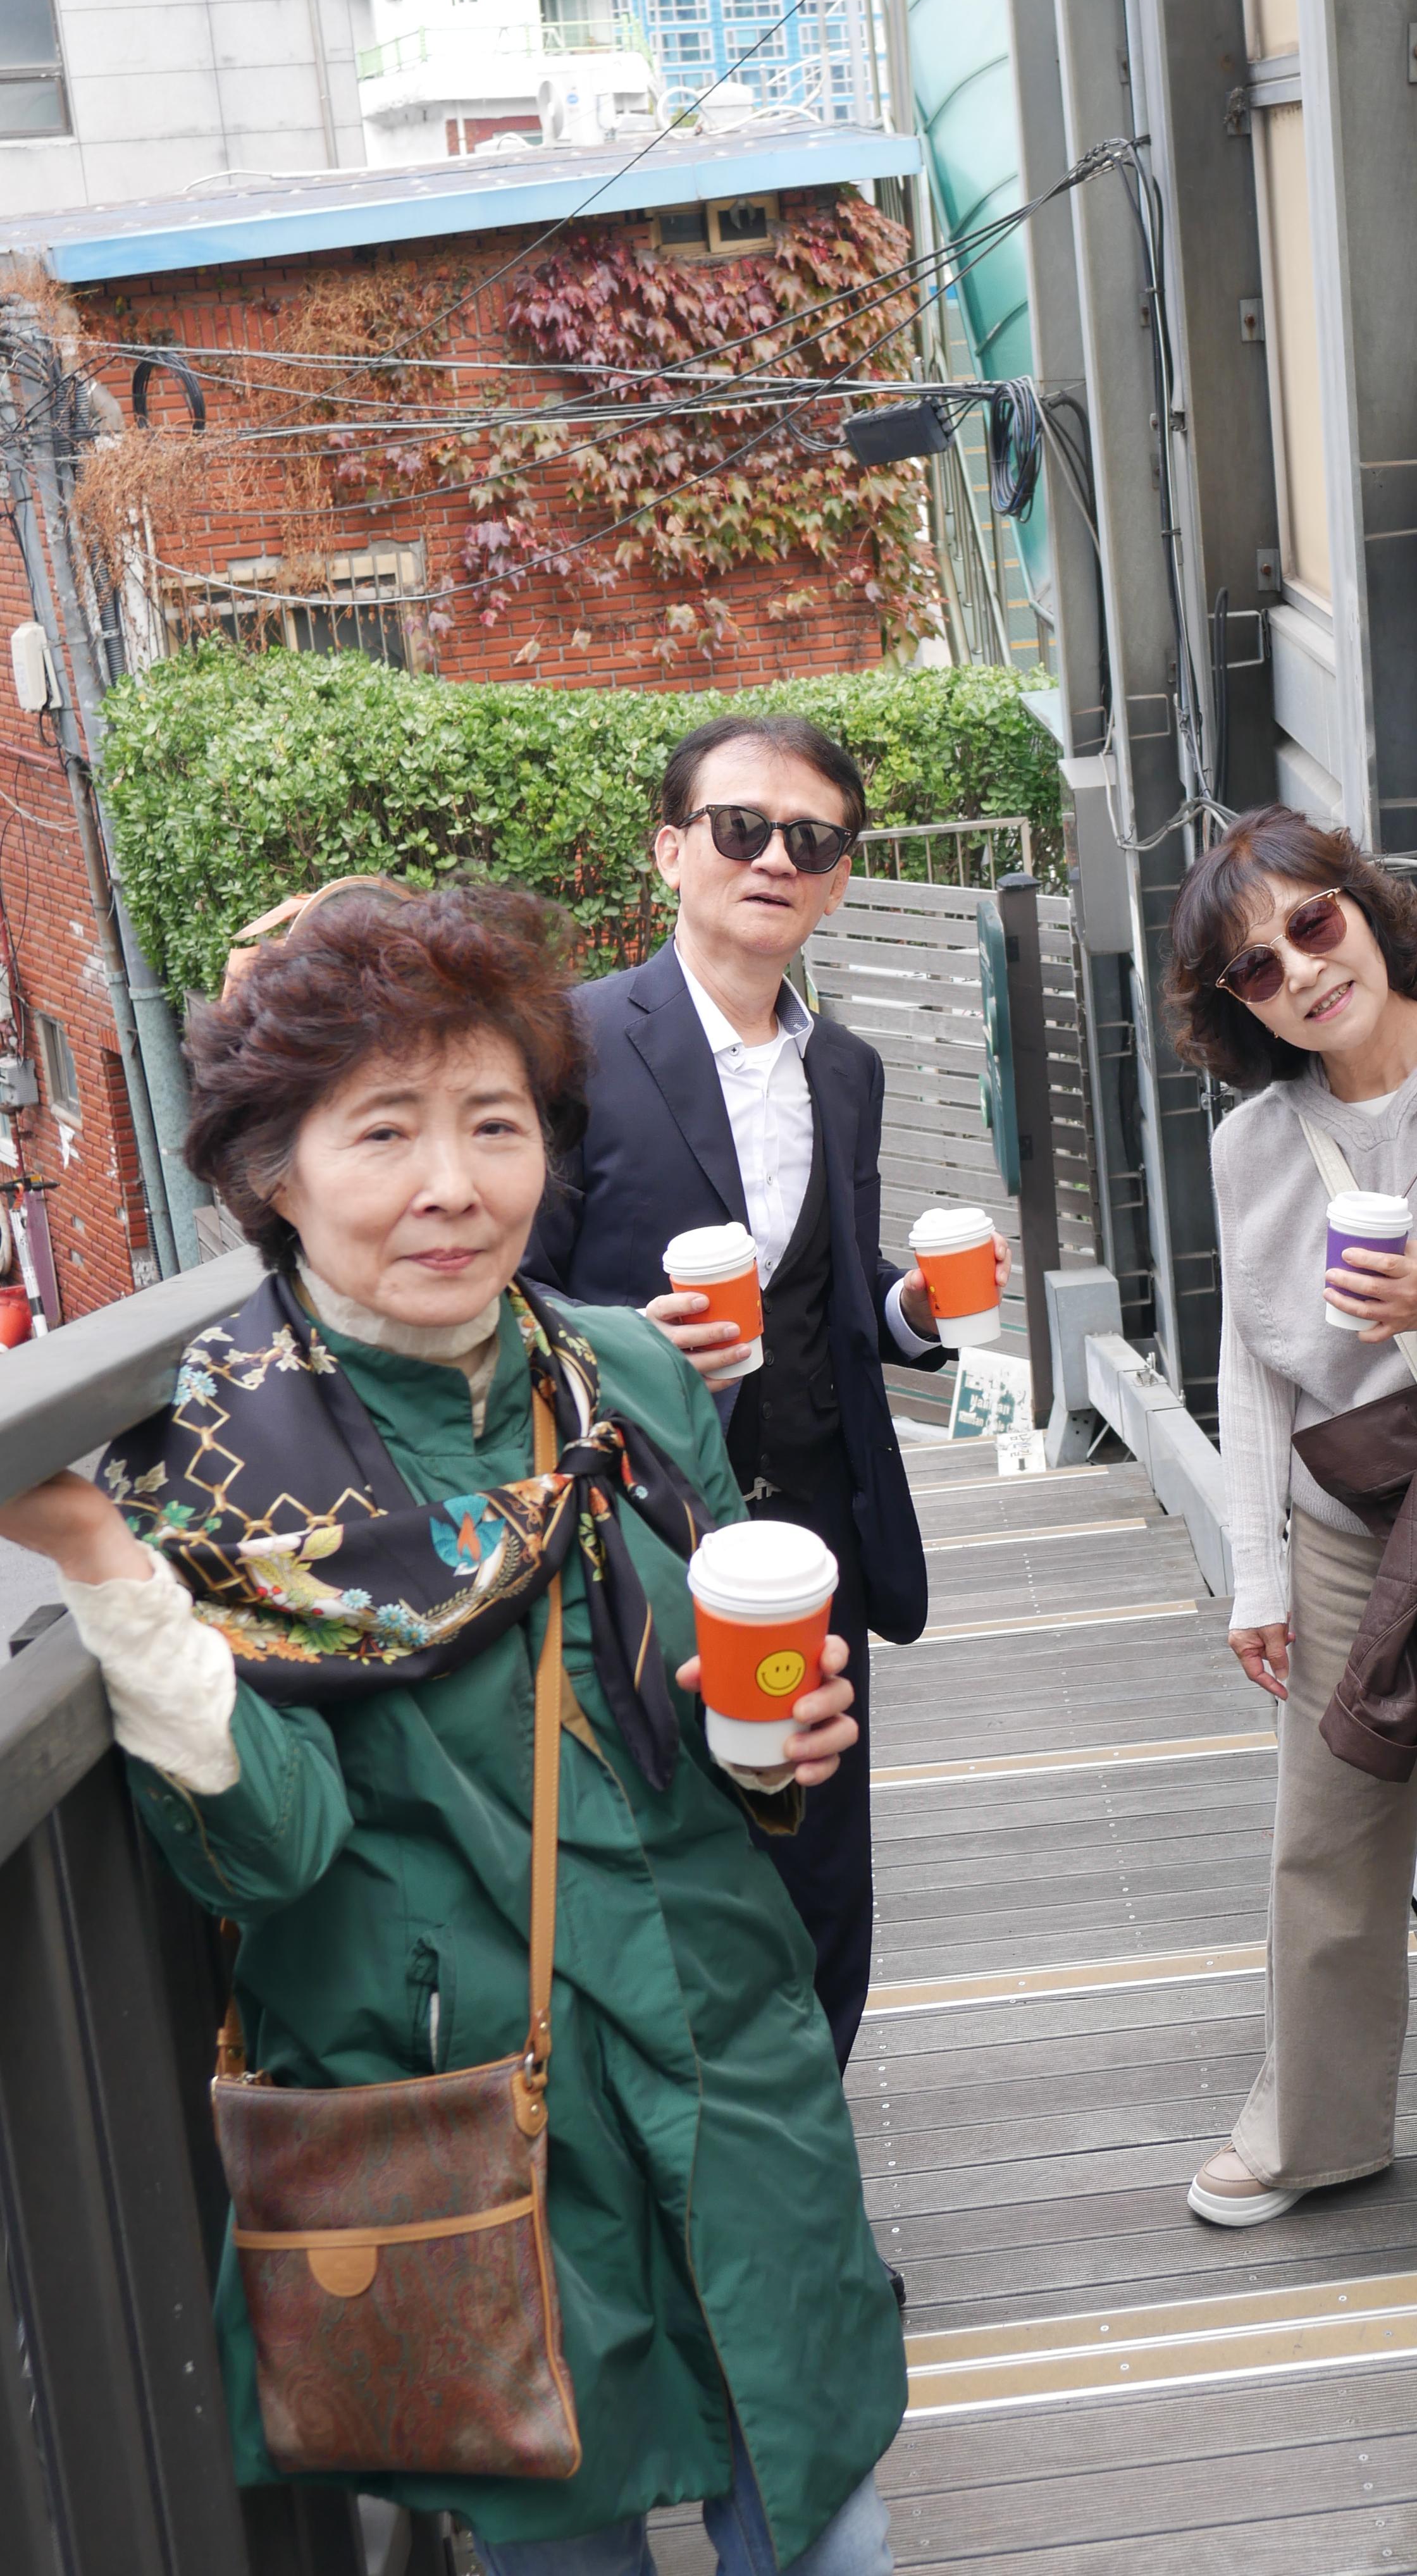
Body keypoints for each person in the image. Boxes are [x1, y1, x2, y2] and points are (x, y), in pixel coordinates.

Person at [0, 884, 904, 2575]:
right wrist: (103, 1561)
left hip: (725, 2049)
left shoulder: (627, 1379)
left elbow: (716, 1716)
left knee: (823, 2514)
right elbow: (270, 1848)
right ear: (271, 1172)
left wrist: (778, 1744)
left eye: (494, 1122)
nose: (453, 1185)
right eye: (383, 1130)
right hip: (458, 2108)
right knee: (564, 2544)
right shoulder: (221, 1471)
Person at [526, 713, 1005, 2071]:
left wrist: (915, 1314)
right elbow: (509, 1290)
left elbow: (834, 1293)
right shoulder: (571, 1043)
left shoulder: (843, 1069)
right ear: (670, 851)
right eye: (741, 827)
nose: (776, 858)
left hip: (814, 1533)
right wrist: (630, 1343)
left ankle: (810, 2154)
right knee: (667, 1861)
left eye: (814, 840)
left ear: (839, 880)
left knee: (820, 1870)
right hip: (638, 1533)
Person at [1164, 809, 1417, 2250]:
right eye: (1255, 968)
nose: (1302, 971)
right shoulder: (1253, 1143)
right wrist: (1255, 1568)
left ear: (1368, 908)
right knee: (1323, 1832)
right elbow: (1252, 1360)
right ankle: (1310, 2131)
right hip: (1347, 1513)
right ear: (1237, 1008)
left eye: (1312, 924)